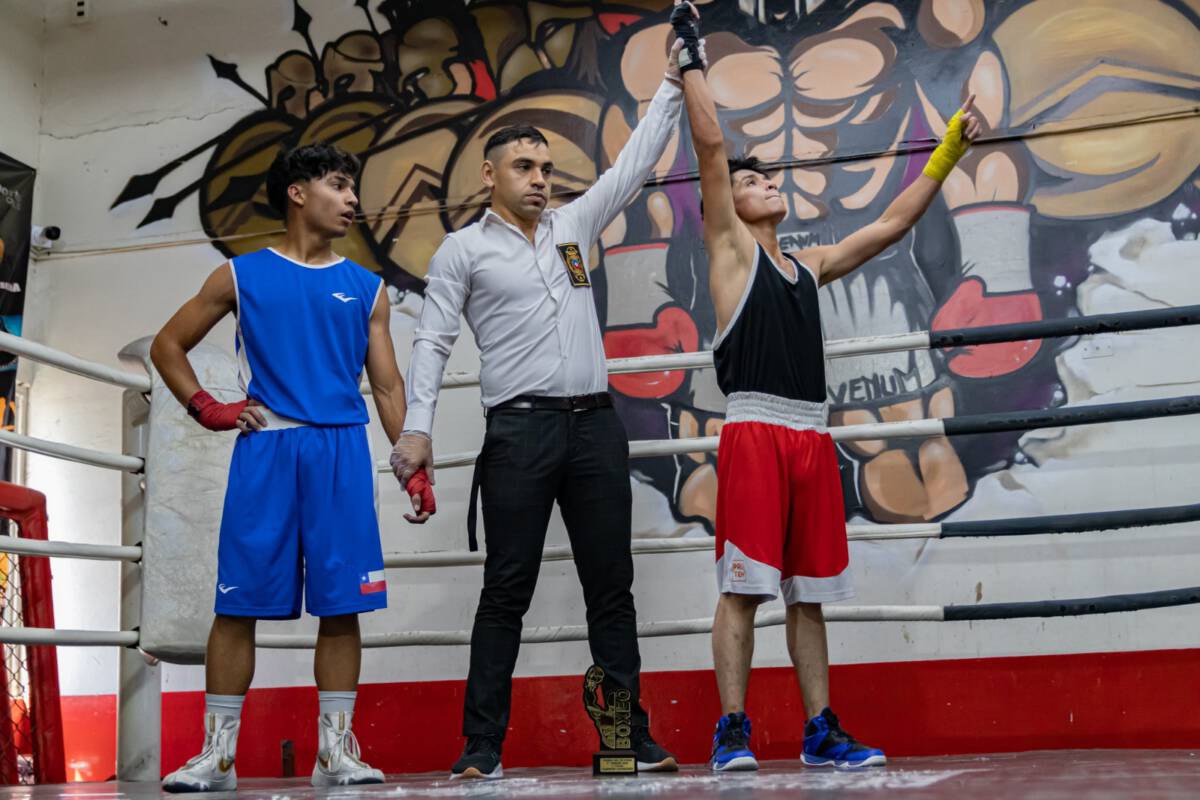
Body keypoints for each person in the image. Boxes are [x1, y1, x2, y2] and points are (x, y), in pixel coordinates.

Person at [388, 18, 705, 782]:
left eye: (545, 166)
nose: (539, 177)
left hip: (595, 427)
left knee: (612, 590)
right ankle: (480, 748)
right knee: (506, 590)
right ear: (489, 174)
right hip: (519, 433)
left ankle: (627, 740)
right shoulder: (462, 250)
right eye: (523, 166)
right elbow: (431, 343)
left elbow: (634, 162)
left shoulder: (573, 225)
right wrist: (417, 431)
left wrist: (671, 79)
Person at [670, 2, 981, 771]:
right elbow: (710, 147)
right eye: (749, 181)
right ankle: (733, 729)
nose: (764, 184)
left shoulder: (807, 266)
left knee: (808, 594)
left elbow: (891, 225)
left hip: (811, 433)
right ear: (729, 202)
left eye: (765, 177)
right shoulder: (730, 252)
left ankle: (819, 731)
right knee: (743, 589)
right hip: (753, 430)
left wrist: (947, 151)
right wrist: (689, 57)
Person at [151, 143, 435, 791]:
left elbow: (388, 387)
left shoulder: (367, 288)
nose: (352, 199)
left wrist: (412, 463)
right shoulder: (239, 275)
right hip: (268, 449)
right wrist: (207, 408)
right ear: (298, 193)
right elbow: (168, 345)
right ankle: (217, 757)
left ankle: (335, 753)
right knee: (237, 604)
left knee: (342, 605)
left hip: (341, 452)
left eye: (353, 187)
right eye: (338, 184)